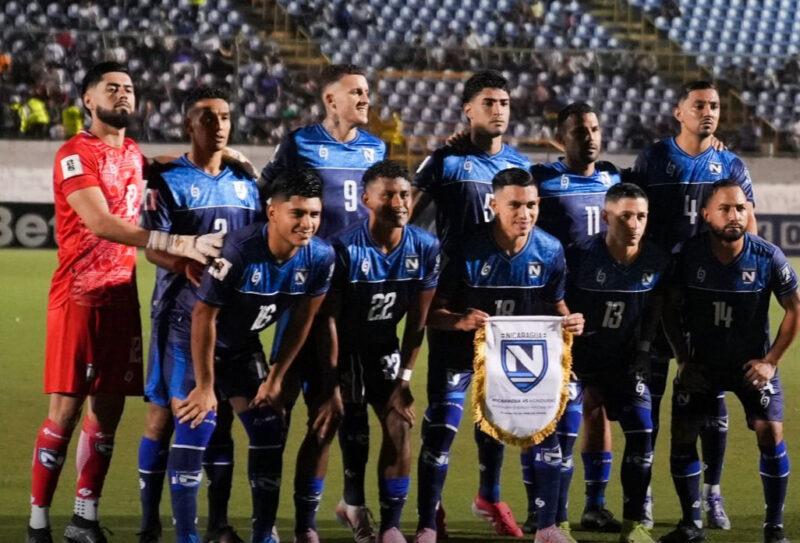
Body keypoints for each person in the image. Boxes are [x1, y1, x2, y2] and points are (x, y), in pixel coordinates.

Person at [27, 61, 221, 543]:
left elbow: (159, 166)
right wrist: (177, 244)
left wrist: (221, 152)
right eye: (111, 88)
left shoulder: (133, 153)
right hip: (79, 297)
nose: (123, 95)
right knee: (66, 412)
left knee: (108, 414)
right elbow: (101, 223)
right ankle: (36, 524)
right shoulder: (75, 153)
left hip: (121, 299)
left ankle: (83, 518)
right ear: (88, 100)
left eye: (129, 88)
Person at [416, 167, 585, 543]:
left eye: (531, 206)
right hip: (458, 355)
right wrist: (459, 321)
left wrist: (570, 321)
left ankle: (547, 528)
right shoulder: (463, 246)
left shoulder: (550, 250)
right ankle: (427, 524)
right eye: (514, 206)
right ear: (493, 205)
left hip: (516, 358)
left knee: (545, 431)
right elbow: (430, 312)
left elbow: (555, 304)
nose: (524, 214)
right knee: (441, 431)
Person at [259, 63, 386, 543]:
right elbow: (266, 194)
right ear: (330, 100)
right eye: (356, 92)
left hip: (354, 292)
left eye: (367, 92)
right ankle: (267, 517)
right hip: (303, 286)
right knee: (281, 402)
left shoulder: (375, 148)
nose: (365, 99)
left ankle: (318, 518)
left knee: (333, 409)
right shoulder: (299, 142)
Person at [174, 168, 337, 543]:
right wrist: (205, 386)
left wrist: (276, 377)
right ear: (272, 212)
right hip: (194, 343)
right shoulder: (239, 250)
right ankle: (188, 537)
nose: (308, 223)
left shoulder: (321, 257)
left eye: (314, 214)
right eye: (297, 213)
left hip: (244, 347)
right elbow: (203, 317)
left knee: (268, 427)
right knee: (196, 424)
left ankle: (263, 534)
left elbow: (302, 321)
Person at [136, 87, 263, 543]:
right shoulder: (168, 180)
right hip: (178, 315)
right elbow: (152, 246)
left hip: (234, 320)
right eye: (207, 118)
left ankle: (219, 523)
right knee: (164, 417)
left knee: (221, 418)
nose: (219, 124)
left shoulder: (245, 182)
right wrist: (186, 263)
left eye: (225, 116)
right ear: (190, 125)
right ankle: (150, 524)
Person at [631, 81, 757, 530]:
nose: (708, 112)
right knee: (650, 396)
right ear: (678, 111)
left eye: (715, 106)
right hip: (660, 296)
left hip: (708, 302)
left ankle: (712, 494)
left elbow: (749, 226)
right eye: (699, 105)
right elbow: (633, 215)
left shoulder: (729, 163)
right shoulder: (653, 159)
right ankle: (642, 494)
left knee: (711, 400)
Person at [412, 70, 532, 539]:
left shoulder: (519, 166)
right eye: (488, 101)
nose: (498, 108)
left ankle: (489, 494)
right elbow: (406, 208)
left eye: (504, 101)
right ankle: (429, 514)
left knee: (497, 412)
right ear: (468, 109)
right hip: (454, 297)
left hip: (504, 303)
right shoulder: (445, 160)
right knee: (445, 415)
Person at [660, 181, 799, 543]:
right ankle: (692, 524)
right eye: (725, 208)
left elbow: (794, 309)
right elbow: (670, 310)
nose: (735, 215)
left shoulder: (768, 256)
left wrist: (770, 361)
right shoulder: (687, 255)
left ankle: (774, 527)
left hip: (750, 366)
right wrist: (683, 359)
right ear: (707, 215)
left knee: (771, 431)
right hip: (703, 364)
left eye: (740, 208)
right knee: (683, 434)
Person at [326, 160, 440, 543]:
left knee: (399, 423)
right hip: (346, 349)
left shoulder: (425, 247)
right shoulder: (343, 247)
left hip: (386, 349)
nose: (399, 202)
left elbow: (417, 324)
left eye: (404, 194)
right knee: (354, 429)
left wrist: (405, 379)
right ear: (366, 200)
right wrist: (332, 378)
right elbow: (330, 320)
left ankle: (391, 525)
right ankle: (354, 506)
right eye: (388, 194)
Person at [530, 102, 622, 537]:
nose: (589, 136)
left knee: (597, 405)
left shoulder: (615, 178)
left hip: (602, 309)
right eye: (579, 130)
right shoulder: (542, 180)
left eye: (595, 127)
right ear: (559, 138)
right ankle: (542, 507)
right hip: (556, 309)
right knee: (545, 409)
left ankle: (595, 505)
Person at [564, 183, 670, 543]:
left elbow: (656, 302)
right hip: (579, 361)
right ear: (606, 217)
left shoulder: (656, 258)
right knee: (563, 436)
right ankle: (558, 522)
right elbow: (554, 299)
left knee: (642, 432)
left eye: (641, 216)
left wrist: (643, 347)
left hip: (625, 361)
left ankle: (634, 525)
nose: (634, 223)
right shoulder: (579, 256)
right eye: (625, 216)